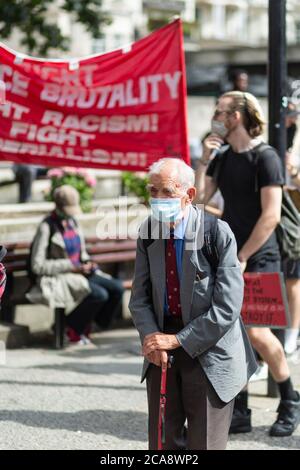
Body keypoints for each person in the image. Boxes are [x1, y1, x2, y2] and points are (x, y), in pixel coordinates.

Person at [129, 157, 257, 450]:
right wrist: (152, 339)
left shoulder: (216, 233)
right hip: (162, 347)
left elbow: (227, 308)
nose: (158, 199)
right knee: (163, 442)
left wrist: (177, 340)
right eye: (153, 191)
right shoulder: (149, 232)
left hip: (209, 348)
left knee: (205, 442)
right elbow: (139, 298)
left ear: (189, 195)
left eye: (167, 192)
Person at [195, 90, 300, 437]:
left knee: (257, 333)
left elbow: (270, 216)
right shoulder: (223, 157)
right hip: (229, 258)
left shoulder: (266, 157)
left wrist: (242, 256)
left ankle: (290, 401)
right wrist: (204, 160)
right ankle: (240, 410)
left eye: (221, 112)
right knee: (230, 333)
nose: (216, 117)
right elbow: (198, 200)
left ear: (236, 116)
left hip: (261, 256)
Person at [27, 185, 124, 344]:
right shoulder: (46, 227)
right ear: (58, 206)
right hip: (59, 276)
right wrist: (70, 265)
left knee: (117, 288)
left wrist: (88, 263)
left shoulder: (73, 222)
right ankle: (68, 327)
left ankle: (86, 325)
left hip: (79, 271)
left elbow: (82, 253)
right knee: (99, 294)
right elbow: (37, 266)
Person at [283, 101, 300, 354]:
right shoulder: (282, 136)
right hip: (285, 219)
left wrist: (293, 172)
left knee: (293, 281)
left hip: (294, 220)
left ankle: (292, 334)